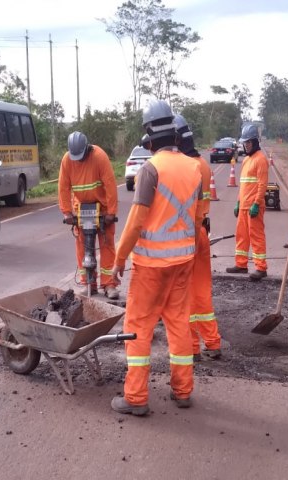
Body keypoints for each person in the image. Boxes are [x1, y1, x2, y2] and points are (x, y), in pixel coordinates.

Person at [110, 100, 203, 416]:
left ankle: (135, 397)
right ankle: (183, 391)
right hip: (182, 262)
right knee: (178, 324)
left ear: (149, 135)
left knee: (138, 326)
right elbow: (196, 213)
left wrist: (119, 259)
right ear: (175, 135)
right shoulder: (194, 168)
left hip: (151, 265)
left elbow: (136, 221)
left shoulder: (150, 170)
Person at [173, 114, 222, 360]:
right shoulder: (202, 164)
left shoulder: (184, 167)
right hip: (200, 233)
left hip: (185, 238)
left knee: (182, 295)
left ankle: (192, 346)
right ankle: (212, 342)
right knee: (201, 291)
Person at [58, 131, 119, 299]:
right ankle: (88, 282)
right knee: (82, 246)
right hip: (82, 208)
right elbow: (63, 187)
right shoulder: (67, 160)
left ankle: (109, 284)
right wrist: (67, 212)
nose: (78, 159)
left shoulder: (99, 157)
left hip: (103, 207)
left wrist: (111, 213)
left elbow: (110, 185)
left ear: (87, 148)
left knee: (107, 245)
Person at [226, 124, 269, 281]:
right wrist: (238, 202)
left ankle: (261, 267)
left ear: (255, 142)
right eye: (244, 143)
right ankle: (241, 264)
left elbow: (262, 185)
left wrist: (257, 203)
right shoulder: (246, 160)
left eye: (248, 142)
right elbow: (243, 184)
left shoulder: (261, 160)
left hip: (253, 208)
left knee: (256, 237)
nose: (246, 145)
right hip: (244, 206)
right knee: (241, 236)